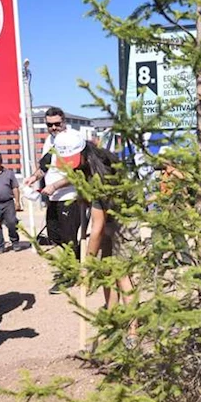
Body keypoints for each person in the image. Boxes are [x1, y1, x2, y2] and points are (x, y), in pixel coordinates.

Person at [52, 133, 138, 340]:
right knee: (106, 270)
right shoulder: (88, 163)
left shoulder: (102, 173)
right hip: (108, 213)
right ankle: (111, 318)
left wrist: (86, 264)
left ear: (83, 152)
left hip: (125, 218)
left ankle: (132, 329)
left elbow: (97, 228)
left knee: (121, 274)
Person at [24, 107, 85, 294]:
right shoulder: (50, 141)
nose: (54, 127)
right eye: (50, 125)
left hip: (70, 196)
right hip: (53, 197)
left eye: (57, 123)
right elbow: (45, 165)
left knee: (69, 238)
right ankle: (77, 265)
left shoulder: (73, 139)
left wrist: (56, 186)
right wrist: (33, 178)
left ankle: (71, 273)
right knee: (54, 235)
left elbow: (77, 171)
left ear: (64, 121)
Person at [0, 151, 22, 253]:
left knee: (12, 222)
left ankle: (15, 242)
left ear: (1, 161)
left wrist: (17, 202)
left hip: (8, 203)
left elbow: (15, 187)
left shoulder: (9, 173)